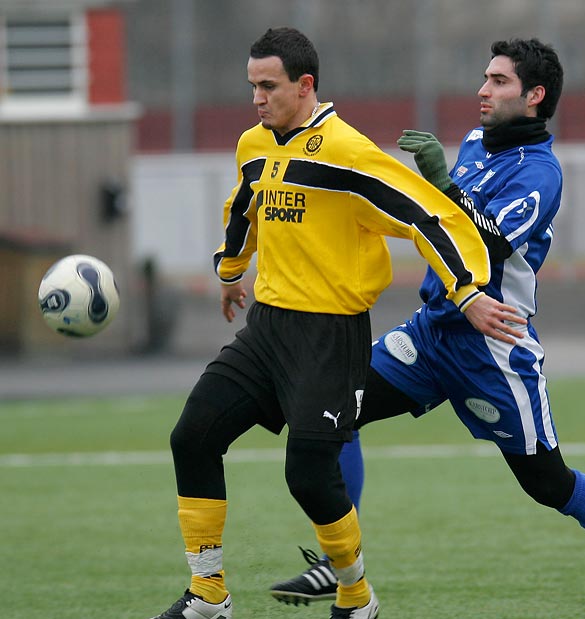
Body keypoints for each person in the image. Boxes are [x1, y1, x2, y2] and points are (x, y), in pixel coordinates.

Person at [269, 38, 585, 619]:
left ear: (534, 97)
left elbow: (486, 239)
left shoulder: (541, 173)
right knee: (334, 406)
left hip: (494, 348)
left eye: (500, 81)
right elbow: (435, 221)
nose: (483, 90)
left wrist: (444, 183)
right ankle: (340, 566)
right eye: (485, 78)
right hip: (432, 333)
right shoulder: (474, 142)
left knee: (548, 483)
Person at [148, 27, 527, 619]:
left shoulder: (348, 153)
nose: (257, 98)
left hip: (330, 337)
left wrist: (469, 290)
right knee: (192, 437)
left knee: (308, 472)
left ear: (305, 85)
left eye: (268, 86)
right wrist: (229, 271)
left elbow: (430, 216)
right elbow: (243, 205)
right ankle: (209, 594)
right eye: (252, 86)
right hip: (267, 329)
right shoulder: (255, 144)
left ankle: (356, 595)